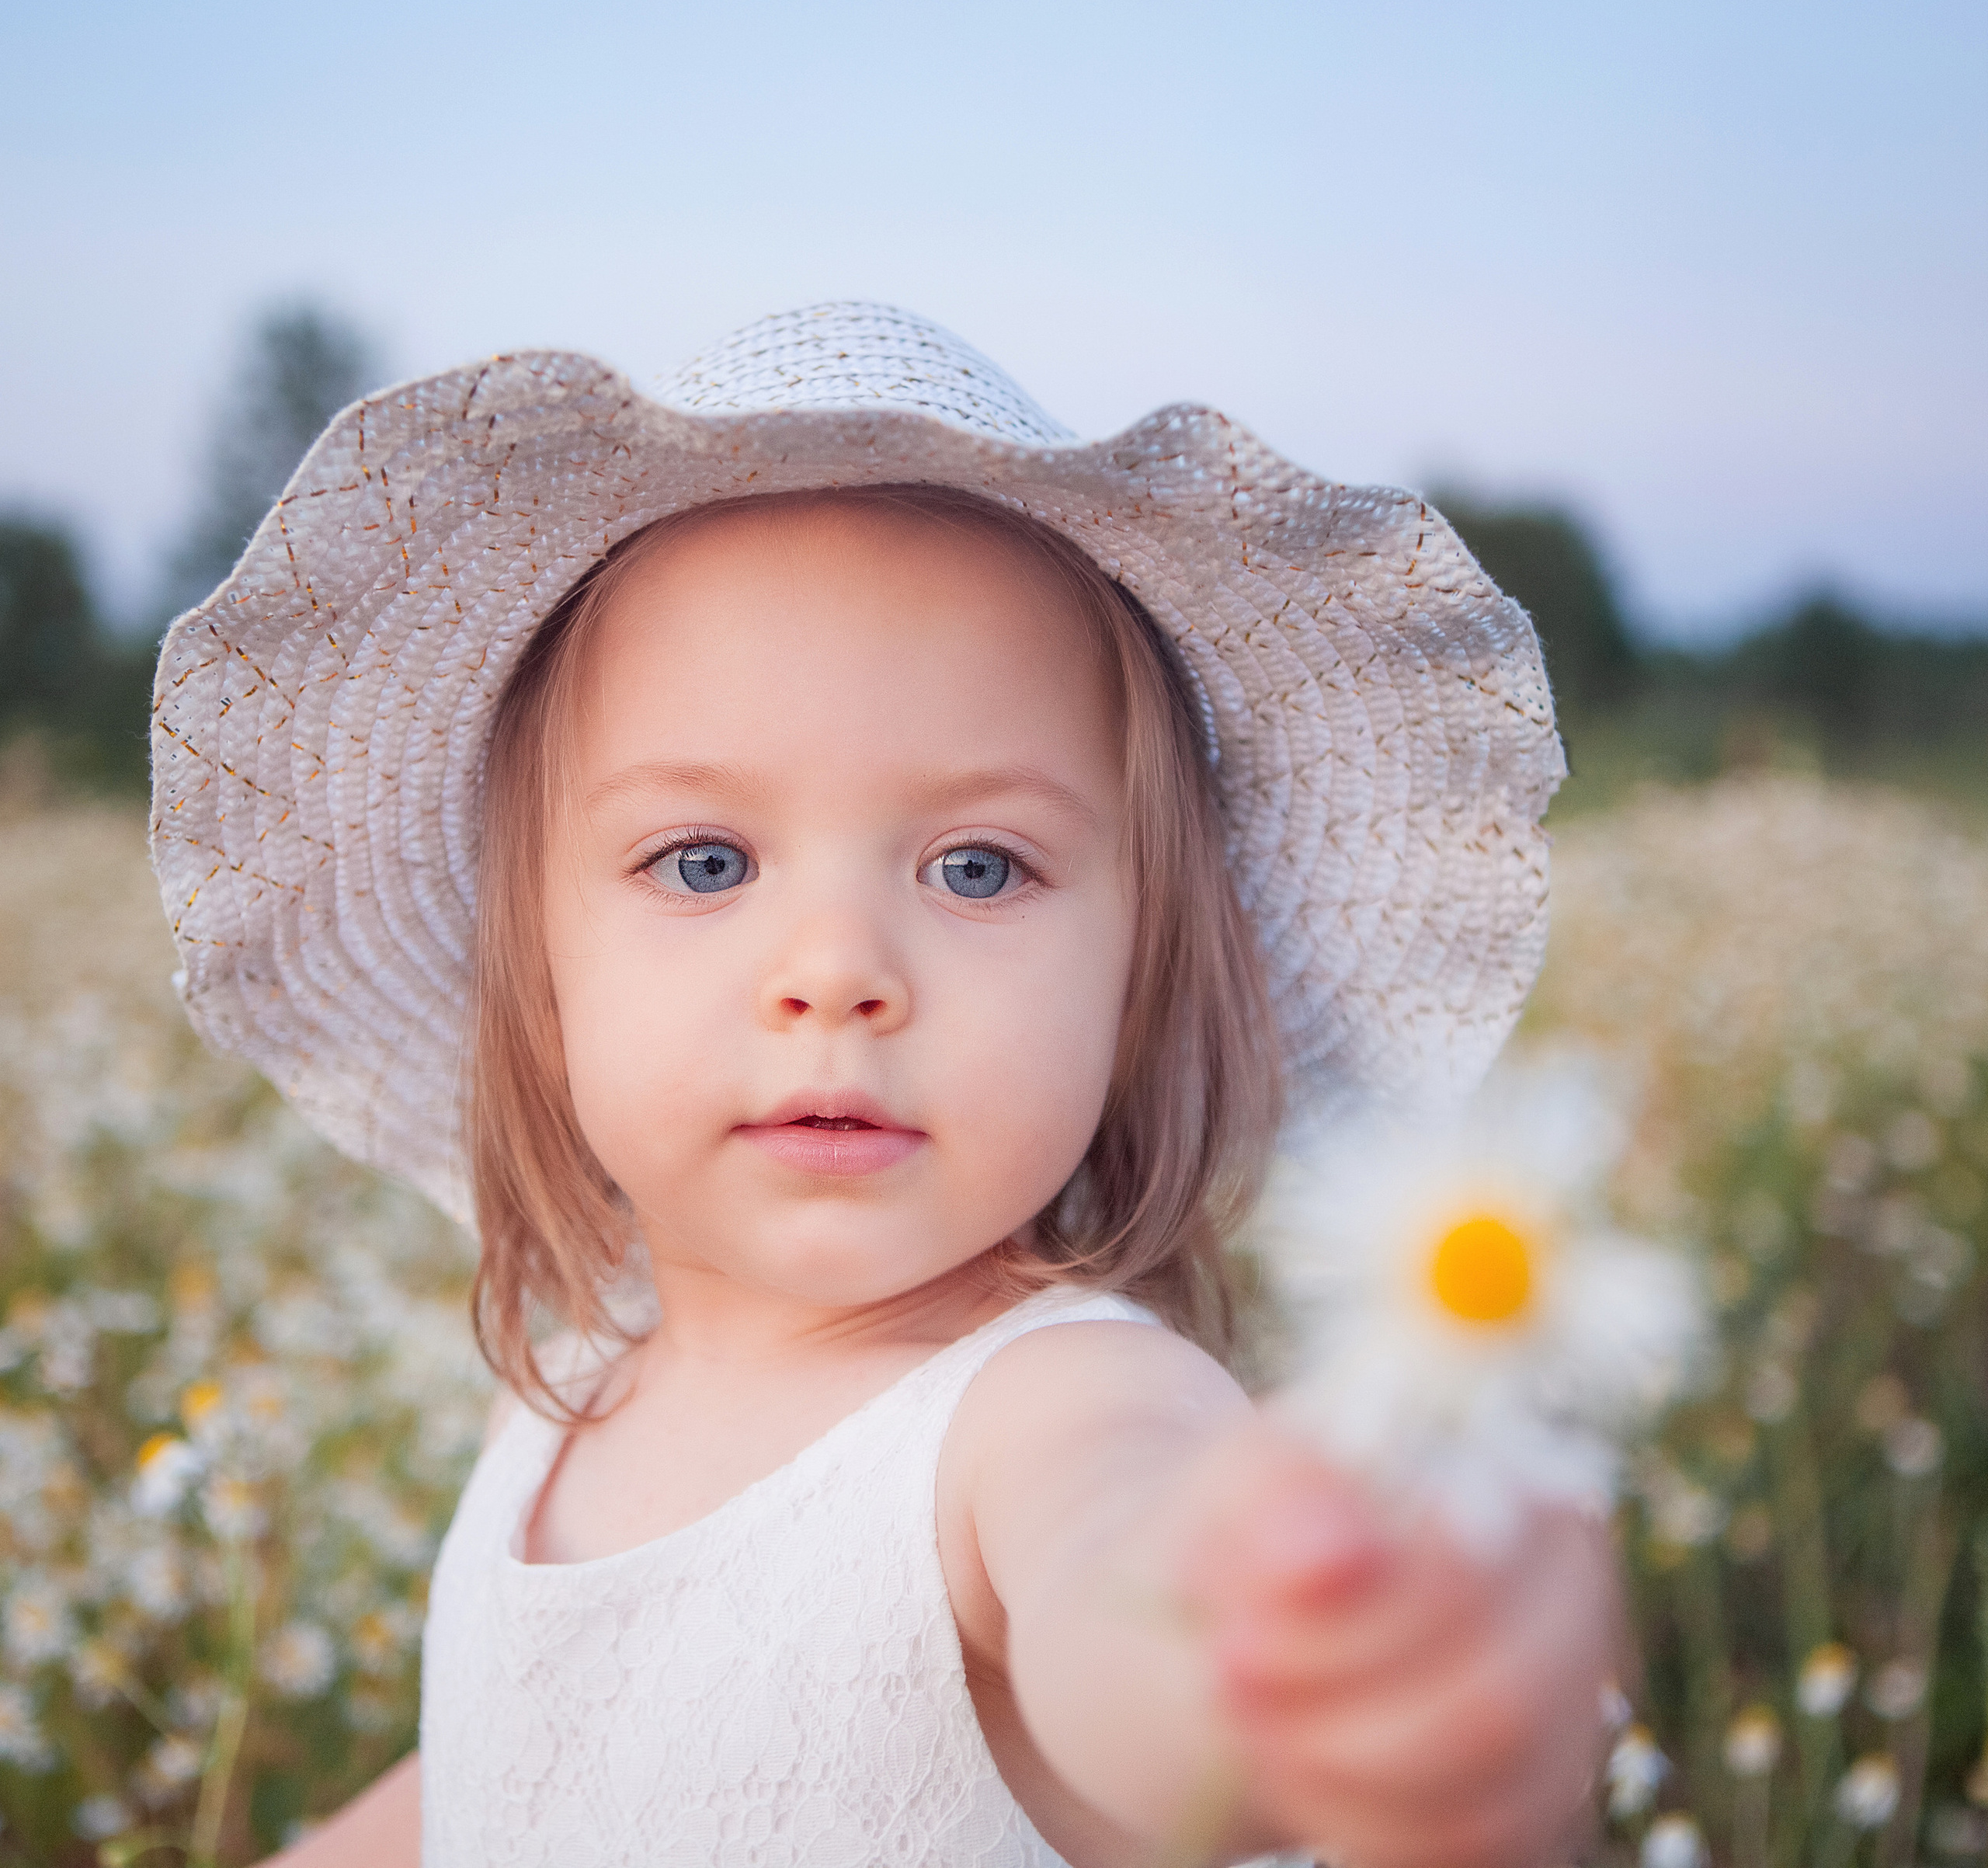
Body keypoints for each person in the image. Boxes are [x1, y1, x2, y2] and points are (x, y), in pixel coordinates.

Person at [151, 302, 1611, 1867]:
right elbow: (512, 1770)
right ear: (541, 963)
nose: (836, 967)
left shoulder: (1054, 1411)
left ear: (1141, 972)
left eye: (977, 865)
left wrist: (1293, 1673)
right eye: (702, 861)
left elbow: (1135, 1620)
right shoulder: (576, 1386)